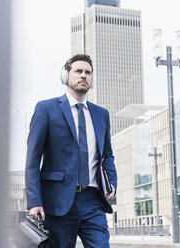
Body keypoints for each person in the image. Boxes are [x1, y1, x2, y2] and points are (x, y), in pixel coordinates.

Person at [25, 54, 117, 248]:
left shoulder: (102, 114)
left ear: (92, 80)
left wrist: (112, 182)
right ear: (65, 76)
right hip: (58, 202)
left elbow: (107, 155)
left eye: (88, 72)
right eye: (78, 71)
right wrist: (34, 201)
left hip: (93, 201)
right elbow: (33, 159)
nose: (83, 75)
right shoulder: (46, 109)